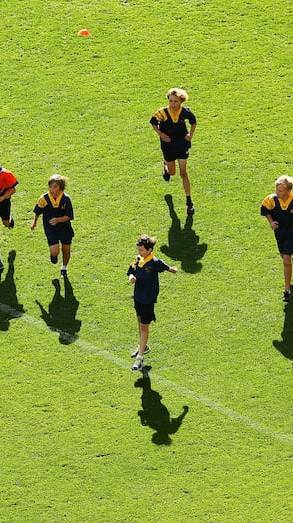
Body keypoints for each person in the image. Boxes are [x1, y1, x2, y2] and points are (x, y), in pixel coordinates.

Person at [127, 234, 177, 371]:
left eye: (141, 250)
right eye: (138, 250)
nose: (139, 253)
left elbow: (167, 267)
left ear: (149, 250)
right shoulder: (137, 260)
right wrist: (132, 277)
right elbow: (130, 270)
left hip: (148, 299)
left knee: (144, 326)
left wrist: (173, 269)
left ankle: (140, 358)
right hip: (138, 297)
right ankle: (144, 346)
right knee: (139, 323)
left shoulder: (154, 262)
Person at [260, 175, 293, 302]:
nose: (277, 193)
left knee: (286, 260)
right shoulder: (272, 199)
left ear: (288, 191)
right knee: (283, 254)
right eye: (277, 190)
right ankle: (288, 258)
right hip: (280, 232)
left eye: (280, 191)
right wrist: (270, 222)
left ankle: (287, 290)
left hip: (291, 232)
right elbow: (265, 210)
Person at [150, 87, 197, 215]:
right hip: (169, 145)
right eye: (171, 101)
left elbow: (193, 122)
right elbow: (153, 122)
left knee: (183, 173)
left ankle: (189, 202)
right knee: (172, 173)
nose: (173, 104)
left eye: (175, 101)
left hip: (182, 144)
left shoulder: (185, 111)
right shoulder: (162, 112)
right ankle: (166, 166)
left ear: (181, 101)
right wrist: (161, 134)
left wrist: (190, 135)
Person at [30, 174, 74, 278]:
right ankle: (54, 255)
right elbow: (37, 211)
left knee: (66, 250)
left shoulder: (66, 199)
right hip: (51, 228)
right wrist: (34, 222)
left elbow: (70, 216)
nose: (52, 189)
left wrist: (58, 220)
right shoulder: (44, 198)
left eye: (55, 187)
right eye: (50, 186)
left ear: (61, 188)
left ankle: (64, 268)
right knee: (55, 252)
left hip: (64, 228)